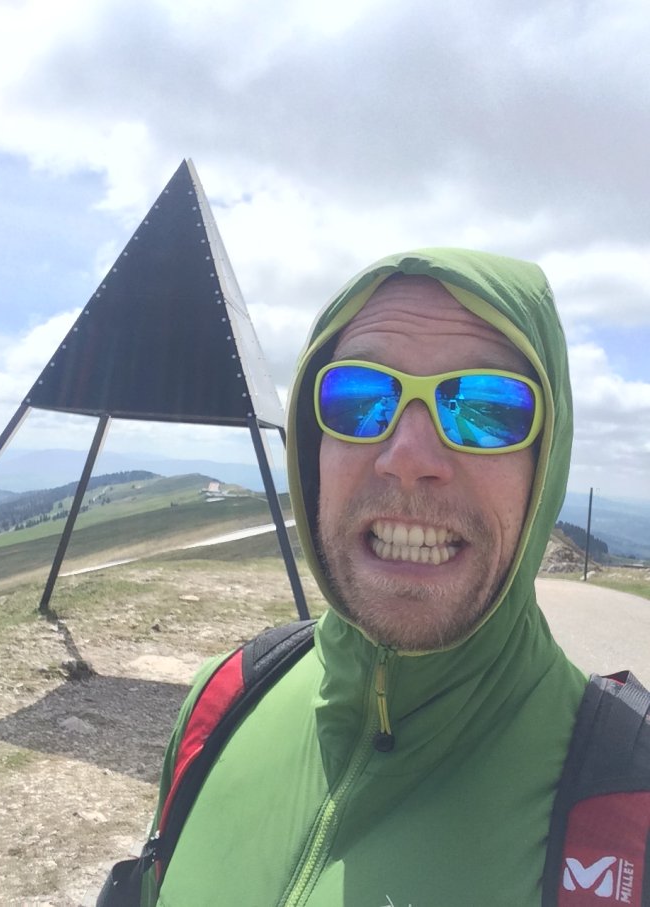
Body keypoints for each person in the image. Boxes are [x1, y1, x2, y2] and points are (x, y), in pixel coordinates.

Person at [142, 247, 588, 906]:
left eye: (485, 406)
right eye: (360, 398)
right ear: (313, 445)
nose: (407, 456)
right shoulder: (223, 701)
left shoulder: (623, 800)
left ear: (545, 465)